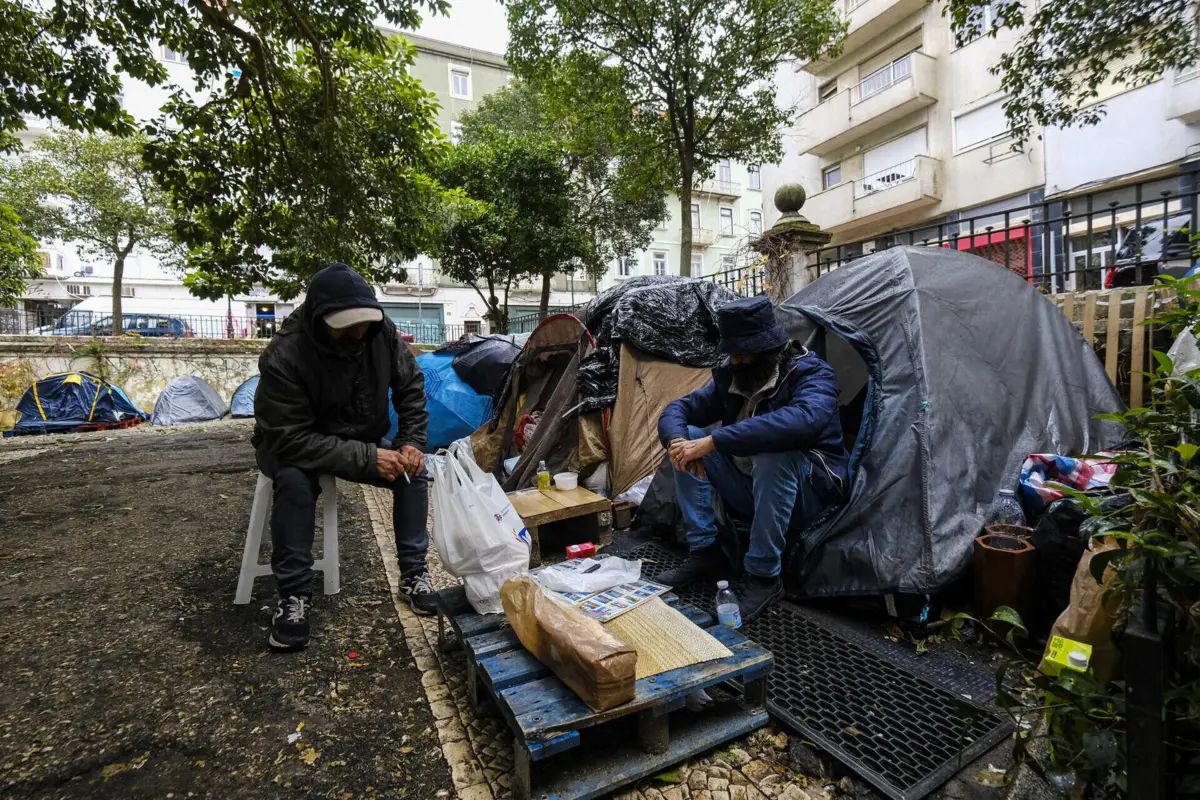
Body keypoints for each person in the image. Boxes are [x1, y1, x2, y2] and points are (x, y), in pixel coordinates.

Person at [253, 263, 434, 652]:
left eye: (364, 322)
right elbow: (288, 437)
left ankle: (414, 574)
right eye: (346, 325)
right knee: (295, 483)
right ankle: (294, 596)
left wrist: (411, 441)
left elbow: (411, 388)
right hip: (294, 447)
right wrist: (369, 458)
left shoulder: (379, 332)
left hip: (359, 435)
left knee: (413, 473)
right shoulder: (284, 355)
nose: (358, 331)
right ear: (320, 318)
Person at [656, 295, 849, 621]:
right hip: (752, 488)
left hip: (810, 493)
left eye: (743, 355)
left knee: (775, 455)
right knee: (687, 435)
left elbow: (804, 420)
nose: (735, 362)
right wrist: (679, 441)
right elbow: (680, 408)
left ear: (768, 351)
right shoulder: (732, 375)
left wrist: (714, 440)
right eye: (732, 355)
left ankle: (764, 576)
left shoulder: (812, 374)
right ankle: (705, 549)